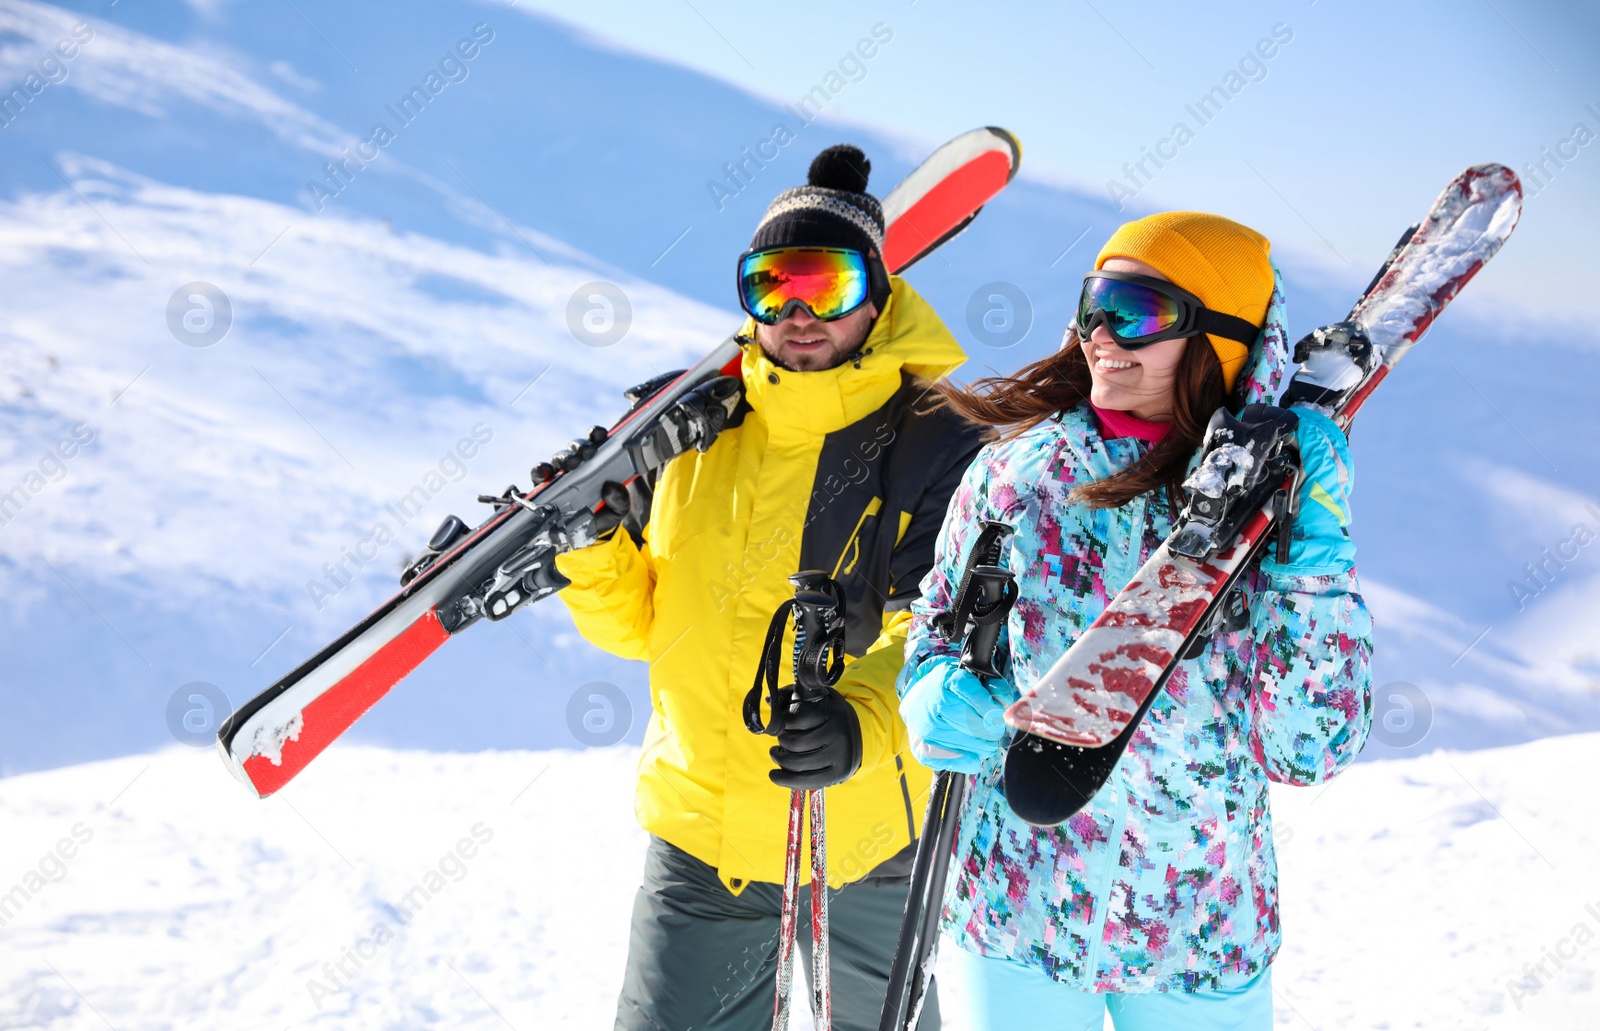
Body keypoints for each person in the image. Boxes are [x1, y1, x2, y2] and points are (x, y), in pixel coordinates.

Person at [897, 212, 1373, 1029]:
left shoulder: (1273, 506)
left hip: (1197, 929)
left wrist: (1313, 563)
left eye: (1141, 313)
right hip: (1013, 910)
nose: (1103, 335)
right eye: (1096, 305)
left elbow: (1308, 749)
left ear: (1219, 341)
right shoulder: (1015, 475)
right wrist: (932, 687)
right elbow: (938, 622)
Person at [553, 144, 984, 1030]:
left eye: (822, 286)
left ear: (878, 293)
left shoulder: (939, 441)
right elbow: (644, 627)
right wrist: (594, 549)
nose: (795, 312)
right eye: (770, 286)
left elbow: (946, 634)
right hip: (703, 845)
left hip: (868, 843)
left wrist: (861, 724)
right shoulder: (691, 431)